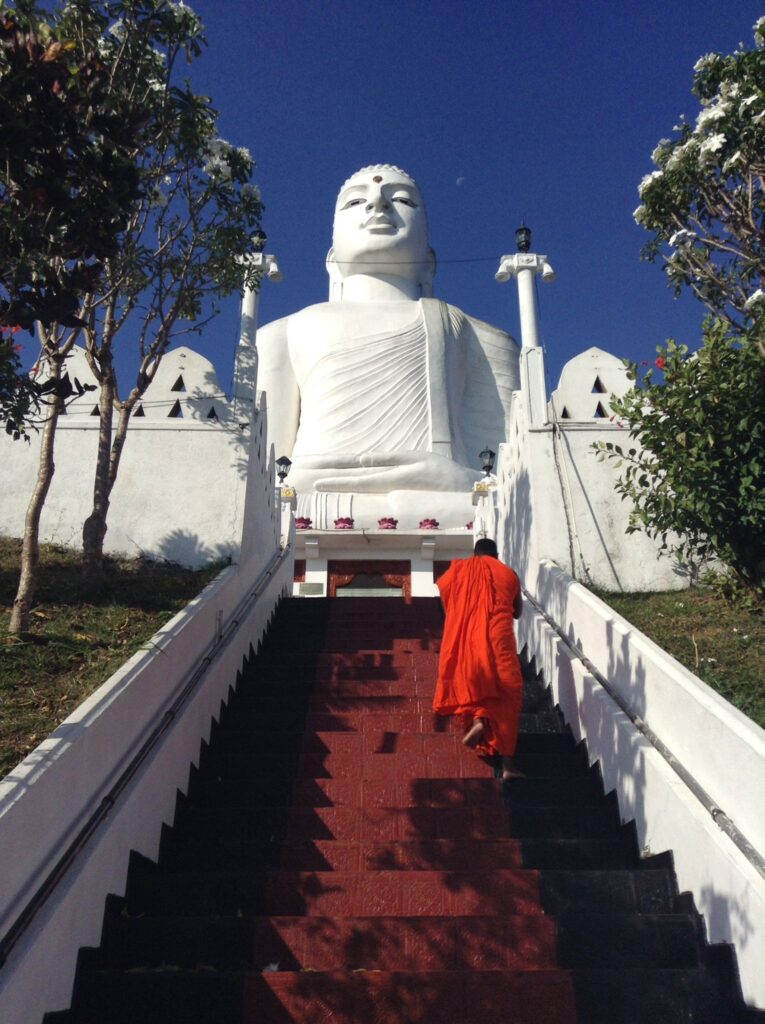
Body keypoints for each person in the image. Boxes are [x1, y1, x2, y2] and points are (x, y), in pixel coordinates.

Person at [255, 165, 519, 528]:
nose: (377, 204)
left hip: (443, 500)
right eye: (356, 201)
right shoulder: (283, 332)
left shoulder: (473, 333)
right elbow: (264, 470)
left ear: (429, 261)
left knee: (480, 510)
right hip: (311, 495)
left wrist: (456, 478)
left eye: (402, 199)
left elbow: (507, 474)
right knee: (280, 502)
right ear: (332, 259)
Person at [434, 537, 525, 780]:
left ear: (475, 553)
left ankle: (479, 720)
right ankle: (507, 765)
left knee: (478, 680)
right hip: (499, 638)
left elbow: (448, 605)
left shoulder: (458, 571)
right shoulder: (508, 573)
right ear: (496, 555)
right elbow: (518, 611)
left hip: (471, 640)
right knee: (508, 690)